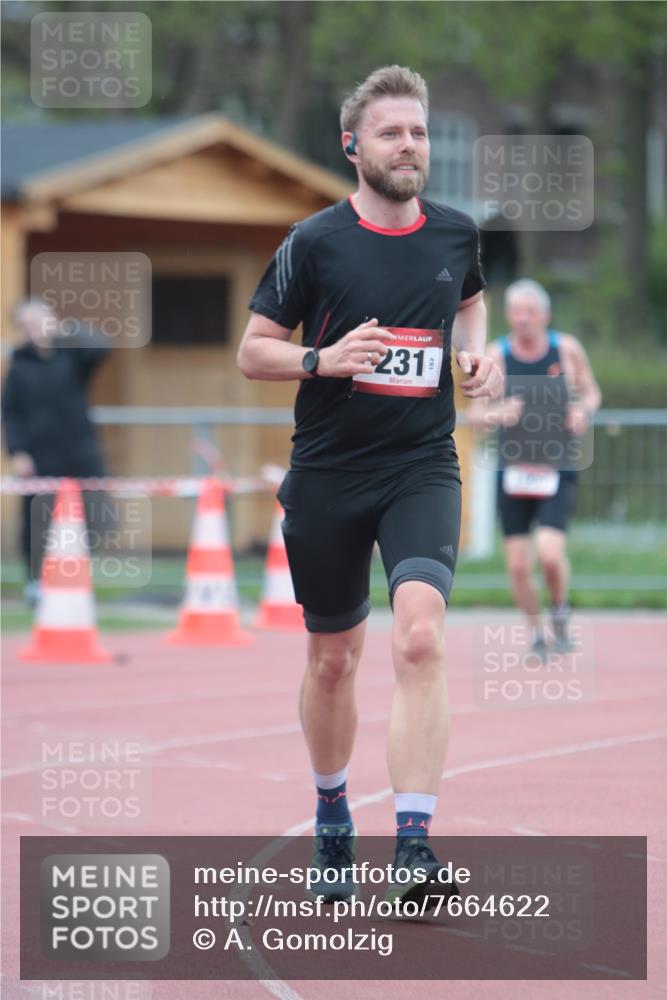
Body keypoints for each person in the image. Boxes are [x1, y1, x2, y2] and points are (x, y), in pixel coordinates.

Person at [238, 65, 502, 905]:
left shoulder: (457, 234)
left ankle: (416, 849)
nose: (409, 146)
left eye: (419, 132)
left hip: (420, 464)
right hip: (328, 473)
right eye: (392, 132)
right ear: (353, 146)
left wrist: (472, 354)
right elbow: (252, 351)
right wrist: (320, 358)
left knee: (419, 637)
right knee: (331, 661)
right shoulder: (313, 242)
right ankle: (330, 817)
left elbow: (467, 301)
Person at [468, 279, 601, 653]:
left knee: (549, 553)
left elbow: (592, 391)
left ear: (545, 315)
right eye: (516, 311)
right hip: (512, 469)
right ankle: (538, 633)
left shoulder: (566, 349)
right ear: (508, 315)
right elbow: (476, 417)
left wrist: (583, 411)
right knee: (518, 566)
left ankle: (559, 606)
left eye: (531, 312)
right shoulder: (498, 355)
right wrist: (498, 413)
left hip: (556, 465)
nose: (523, 319)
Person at [2, 298, 109, 604]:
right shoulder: (19, 365)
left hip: (79, 451)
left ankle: (74, 576)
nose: (36, 329)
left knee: (89, 518)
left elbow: (101, 349)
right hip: (39, 456)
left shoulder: (73, 356)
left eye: (41, 321)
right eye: (29, 325)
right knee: (37, 521)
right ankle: (36, 582)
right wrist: (18, 451)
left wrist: (68, 330)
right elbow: (10, 412)